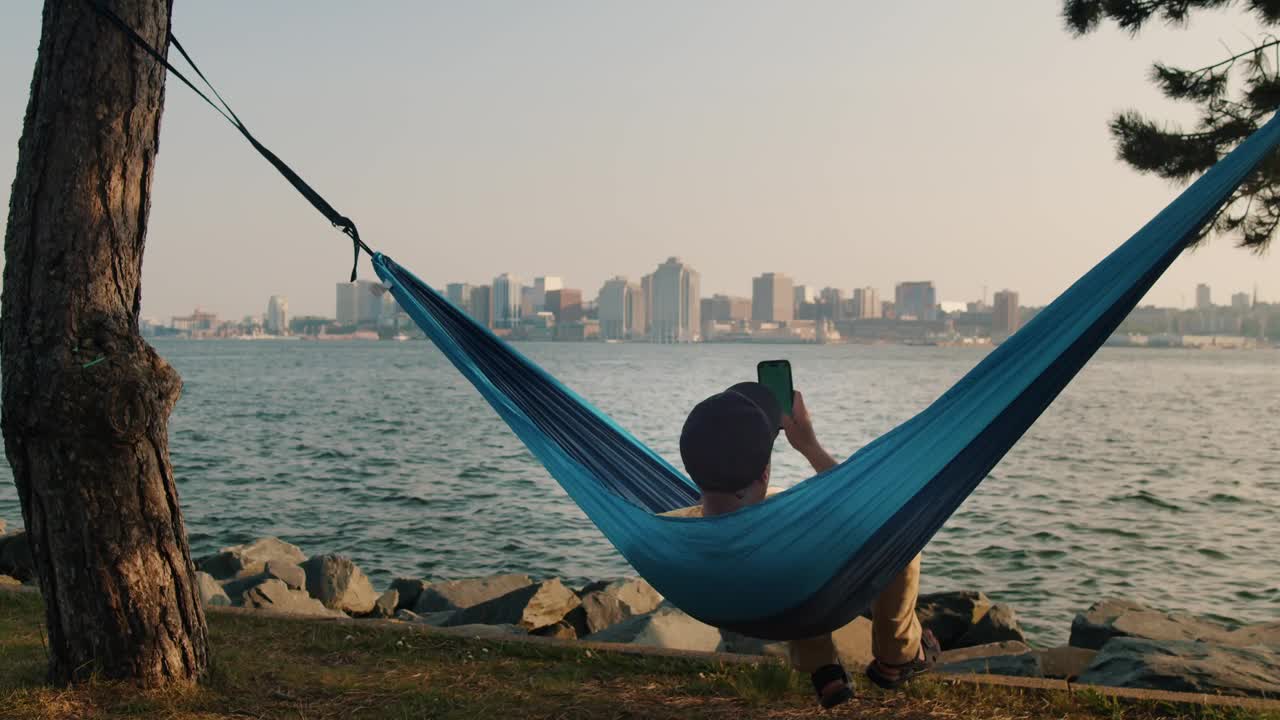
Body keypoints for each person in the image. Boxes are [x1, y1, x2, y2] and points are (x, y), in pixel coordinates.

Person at [662, 382, 939, 709]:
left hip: (740, 600)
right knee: (899, 531)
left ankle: (823, 668)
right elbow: (870, 510)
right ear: (763, 473)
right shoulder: (790, 525)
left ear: (693, 469)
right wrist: (809, 446)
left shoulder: (666, 528)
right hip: (797, 602)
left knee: (792, 525)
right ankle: (898, 655)